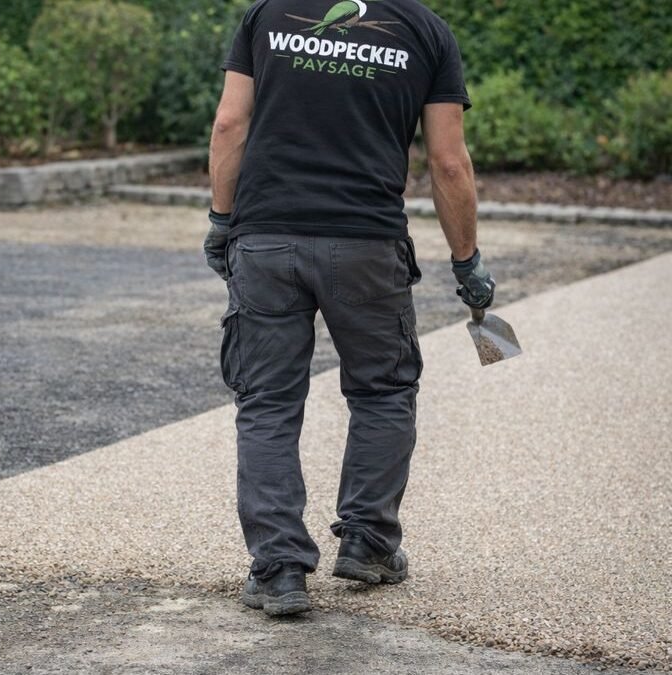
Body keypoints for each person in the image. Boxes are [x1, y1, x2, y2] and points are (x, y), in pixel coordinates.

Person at [205, 0, 495, 617]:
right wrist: (466, 261)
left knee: (267, 402)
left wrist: (221, 220)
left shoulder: (267, 14)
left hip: (266, 241)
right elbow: (448, 162)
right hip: (367, 247)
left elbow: (230, 124)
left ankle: (279, 569)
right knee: (383, 391)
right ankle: (368, 542)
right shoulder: (426, 30)